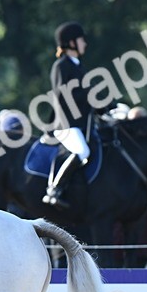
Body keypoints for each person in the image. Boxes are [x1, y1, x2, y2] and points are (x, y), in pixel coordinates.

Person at [43, 21, 102, 208]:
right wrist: (90, 96)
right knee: (82, 151)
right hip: (66, 124)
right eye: (81, 39)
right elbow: (63, 95)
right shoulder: (61, 66)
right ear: (71, 43)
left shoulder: (77, 66)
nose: (85, 43)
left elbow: (87, 95)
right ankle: (54, 190)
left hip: (81, 124)